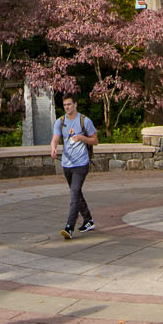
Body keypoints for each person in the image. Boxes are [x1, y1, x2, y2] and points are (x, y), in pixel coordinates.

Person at [51, 94, 100, 240]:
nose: (67, 107)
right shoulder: (60, 122)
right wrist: (53, 148)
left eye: (69, 104)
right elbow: (55, 139)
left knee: (74, 194)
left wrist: (82, 138)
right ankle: (88, 220)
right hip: (66, 163)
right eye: (65, 105)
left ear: (75, 104)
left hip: (81, 163)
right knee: (76, 193)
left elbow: (95, 140)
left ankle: (69, 227)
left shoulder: (85, 121)